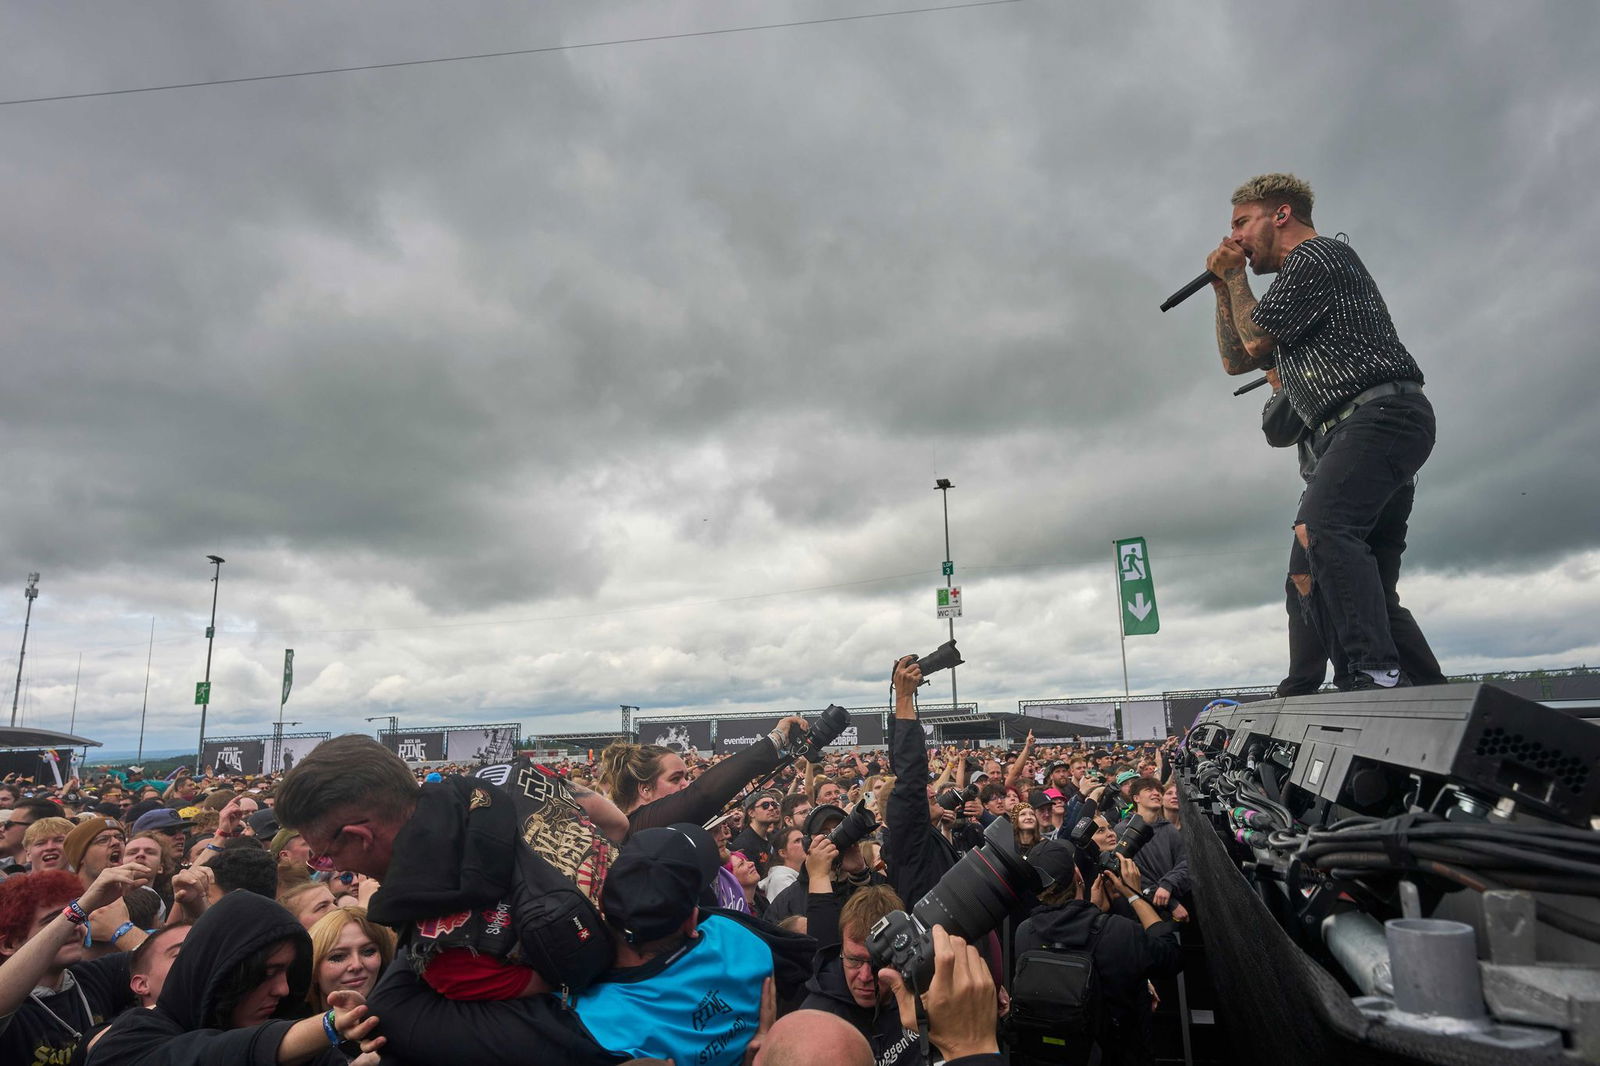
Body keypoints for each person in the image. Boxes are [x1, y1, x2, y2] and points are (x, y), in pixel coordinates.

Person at [1209, 172, 1439, 690]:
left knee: (1324, 529)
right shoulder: (1294, 285)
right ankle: (1426, 689)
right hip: (1354, 430)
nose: (1237, 237)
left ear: (1281, 214)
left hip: (1379, 416)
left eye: (1243, 222)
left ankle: (1373, 671)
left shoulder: (1317, 258)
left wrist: (1236, 278)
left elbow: (1259, 340)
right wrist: (1224, 285)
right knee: (1307, 576)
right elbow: (1235, 358)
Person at [86, 889, 380, 1066]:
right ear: (220, 973)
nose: (283, 989)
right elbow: (205, 1056)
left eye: (288, 972)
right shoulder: (130, 1039)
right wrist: (328, 1025)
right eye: (265, 974)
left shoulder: (304, 1049)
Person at [1012, 847, 1182, 1066]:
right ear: (1078, 876)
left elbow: (1068, 947)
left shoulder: (1026, 932)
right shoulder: (1119, 932)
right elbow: (1171, 957)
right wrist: (1134, 895)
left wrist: (1092, 911)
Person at [0, 864, 153, 1064]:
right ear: (10, 944)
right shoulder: (15, 1003)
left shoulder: (97, 975)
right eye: (53, 921)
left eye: (79, 919)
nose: (74, 927)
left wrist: (121, 929)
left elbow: (180, 970)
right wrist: (77, 909)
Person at [798, 884, 920, 1066]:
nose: (864, 976)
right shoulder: (817, 1023)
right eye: (854, 960)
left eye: (877, 963)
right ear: (842, 949)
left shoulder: (918, 985)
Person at [307, 908, 396, 1012]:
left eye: (368, 951)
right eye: (338, 957)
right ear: (314, 969)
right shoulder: (289, 1021)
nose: (356, 965)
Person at [729, 790, 783, 876]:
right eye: (765, 805)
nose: (771, 808)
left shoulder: (774, 836)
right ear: (751, 813)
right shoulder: (743, 845)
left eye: (773, 804)